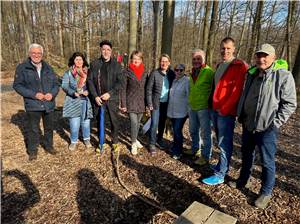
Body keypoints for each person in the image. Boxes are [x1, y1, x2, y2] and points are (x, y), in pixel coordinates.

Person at [228, 44, 297, 209]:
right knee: (247, 155)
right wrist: (241, 114)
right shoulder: (251, 73)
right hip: (248, 124)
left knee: (267, 162)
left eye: (265, 56)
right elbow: (246, 96)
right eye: (259, 55)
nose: (261, 59)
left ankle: (266, 192)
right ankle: (242, 180)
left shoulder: (283, 76)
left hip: (267, 129)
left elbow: (290, 104)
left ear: (273, 58)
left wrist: (275, 123)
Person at [202, 37, 248, 185]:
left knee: (224, 143)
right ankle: (222, 166)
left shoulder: (239, 65)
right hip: (215, 109)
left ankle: (221, 174)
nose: (225, 51)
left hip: (225, 112)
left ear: (234, 49)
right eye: (223, 48)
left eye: (228, 48)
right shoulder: (220, 65)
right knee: (219, 140)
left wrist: (225, 109)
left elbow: (237, 91)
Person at [13, 43, 59, 161]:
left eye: (39, 53)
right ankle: (33, 151)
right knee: (33, 129)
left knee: (49, 127)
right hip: (33, 105)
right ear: (29, 54)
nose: (36, 55)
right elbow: (17, 86)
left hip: (48, 104)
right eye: (34, 53)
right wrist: (34, 95)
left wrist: (52, 94)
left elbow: (55, 84)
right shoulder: (22, 68)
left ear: (42, 54)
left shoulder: (48, 67)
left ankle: (49, 146)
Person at [87, 40, 124, 153]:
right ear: (101, 50)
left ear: (111, 51)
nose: (106, 52)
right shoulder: (94, 64)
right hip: (99, 99)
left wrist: (110, 93)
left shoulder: (117, 65)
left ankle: (115, 142)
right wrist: (95, 96)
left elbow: (120, 83)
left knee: (114, 121)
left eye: (108, 49)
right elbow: (90, 81)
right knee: (99, 122)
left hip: (112, 99)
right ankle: (101, 142)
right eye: (103, 49)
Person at [185, 49, 214, 165]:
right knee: (193, 130)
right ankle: (195, 149)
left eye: (198, 58)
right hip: (192, 107)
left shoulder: (209, 72)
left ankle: (206, 156)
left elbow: (213, 89)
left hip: (204, 108)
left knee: (205, 133)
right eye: (194, 59)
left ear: (204, 59)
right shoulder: (192, 72)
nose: (196, 61)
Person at [61, 52, 93, 151]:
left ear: (83, 61)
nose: (79, 61)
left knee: (86, 122)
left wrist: (89, 91)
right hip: (73, 100)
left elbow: (92, 85)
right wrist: (72, 92)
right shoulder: (69, 73)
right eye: (76, 59)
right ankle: (73, 141)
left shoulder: (88, 72)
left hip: (86, 101)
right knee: (74, 123)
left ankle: (87, 139)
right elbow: (64, 86)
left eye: (80, 59)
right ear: (73, 61)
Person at [146, 54, 175, 155]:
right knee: (154, 123)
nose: (164, 63)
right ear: (160, 62)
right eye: (162, 61)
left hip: (166, 103)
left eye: (166, 61)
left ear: (169, 63)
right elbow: (148, 89)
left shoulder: (171, 74)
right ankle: (152, 143)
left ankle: (159, 139)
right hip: (155, 103)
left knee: (162, 122)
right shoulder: (154, 73)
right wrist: (149, 103)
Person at [120, 50, 148, 155]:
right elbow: (123, 89)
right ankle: (133, 143)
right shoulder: (126, 72)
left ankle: (135, 139)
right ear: (131, 59)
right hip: (130, 101)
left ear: (141, 60)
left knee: (138, 124)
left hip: (141, 102)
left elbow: (147, 88)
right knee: (134, 123)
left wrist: (148, 103)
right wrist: (123, 104)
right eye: (134, 58)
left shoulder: (145, 72)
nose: (136, 60)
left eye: (138, 59)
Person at [167, 64, 189, 160]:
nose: (179, 72)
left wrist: (189, 111)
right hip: (172, 111)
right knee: (175, 131)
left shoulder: (187, 81)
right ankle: (176, 146)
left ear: (184, 71)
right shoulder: (174, 81)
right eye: (177, 70)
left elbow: (189, 97)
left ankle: (178, 151)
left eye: (181, 70)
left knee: (177, 131)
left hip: (181, 112)